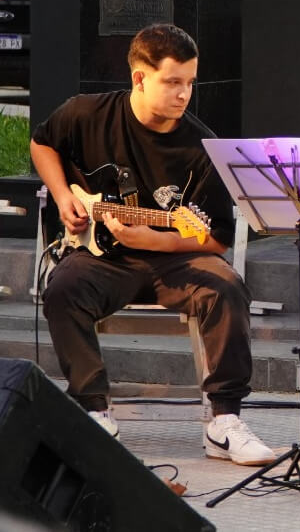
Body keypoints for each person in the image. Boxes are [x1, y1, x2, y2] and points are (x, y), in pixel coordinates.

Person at [30, 24, 274, 466]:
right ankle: (94, 410)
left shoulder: (202, 147)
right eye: (173, 81)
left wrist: (156, 239)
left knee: (226, 287)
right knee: (63, 289)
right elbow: (42, 143)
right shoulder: (85, 113)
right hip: (101, 258)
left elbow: (216, 237)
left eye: (190, 83)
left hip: (173, 261)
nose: (184, 94)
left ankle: (224, 421)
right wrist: (64, 196)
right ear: (140, 78)